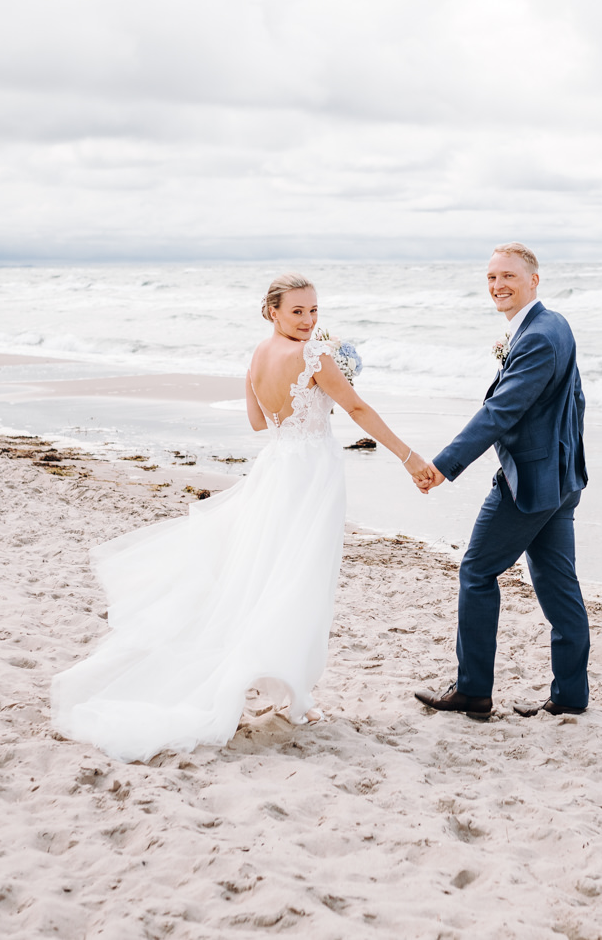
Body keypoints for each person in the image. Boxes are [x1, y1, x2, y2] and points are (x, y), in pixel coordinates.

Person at [52, 273, 434, 761]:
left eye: (314, 310)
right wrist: (409, 457)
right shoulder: (313, 356)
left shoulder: (257, 354)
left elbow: (258, 422)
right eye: (298, 311)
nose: (309, 319)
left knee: (266, 574)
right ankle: (293, 695)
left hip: (277, 468)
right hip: (311, 473)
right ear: (272, 310)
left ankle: (284, 690)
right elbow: (355, 407)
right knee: (298, 579)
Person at [413, 243, 590, 719]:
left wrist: (444, 465)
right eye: (491, 278)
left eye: (508, 276)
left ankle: (472, 690)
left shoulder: (536, 337)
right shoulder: (553, 325)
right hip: (559, 479)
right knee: (558, 586)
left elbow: (501, 410)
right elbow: (573, 401)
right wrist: (566, 460)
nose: (498, 286)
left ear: (534, 280)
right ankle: (571, 695)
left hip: (530, 484)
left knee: (477, 572)